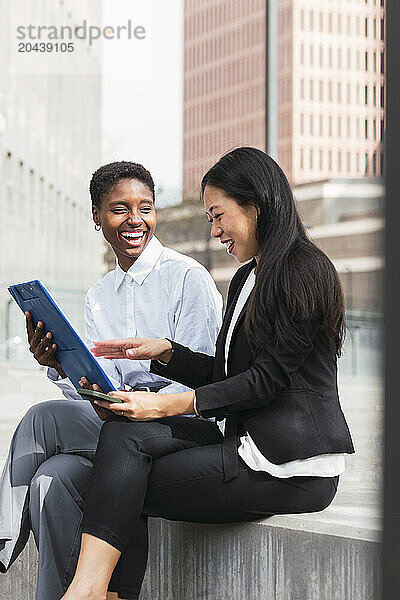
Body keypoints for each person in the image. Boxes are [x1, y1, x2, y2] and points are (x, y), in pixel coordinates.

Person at [60, 147, 355, 600]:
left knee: (121, 481)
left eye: (219, 216)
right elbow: (226, 373)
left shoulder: (303, 269)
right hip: (243, 441)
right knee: (123, 435)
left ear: (255, 206)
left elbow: (266, 380)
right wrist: (165, 353)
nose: (215, 231)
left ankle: (93, 593)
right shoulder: (247, 277)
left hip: (289, 467)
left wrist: (169, 402)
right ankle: (92, 589)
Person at [0, 161, 223, 600]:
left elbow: (205, 374)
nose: (135, 220)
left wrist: (145, 406)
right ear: (97, 215)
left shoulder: (186, 278)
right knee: (51, 480)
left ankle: (2, 545)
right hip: (123, 420)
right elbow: (104, 382)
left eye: (145, 207)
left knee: (42, 419)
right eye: (120, 209)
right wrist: (62, 365)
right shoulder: (100, 295)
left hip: (179, 422)